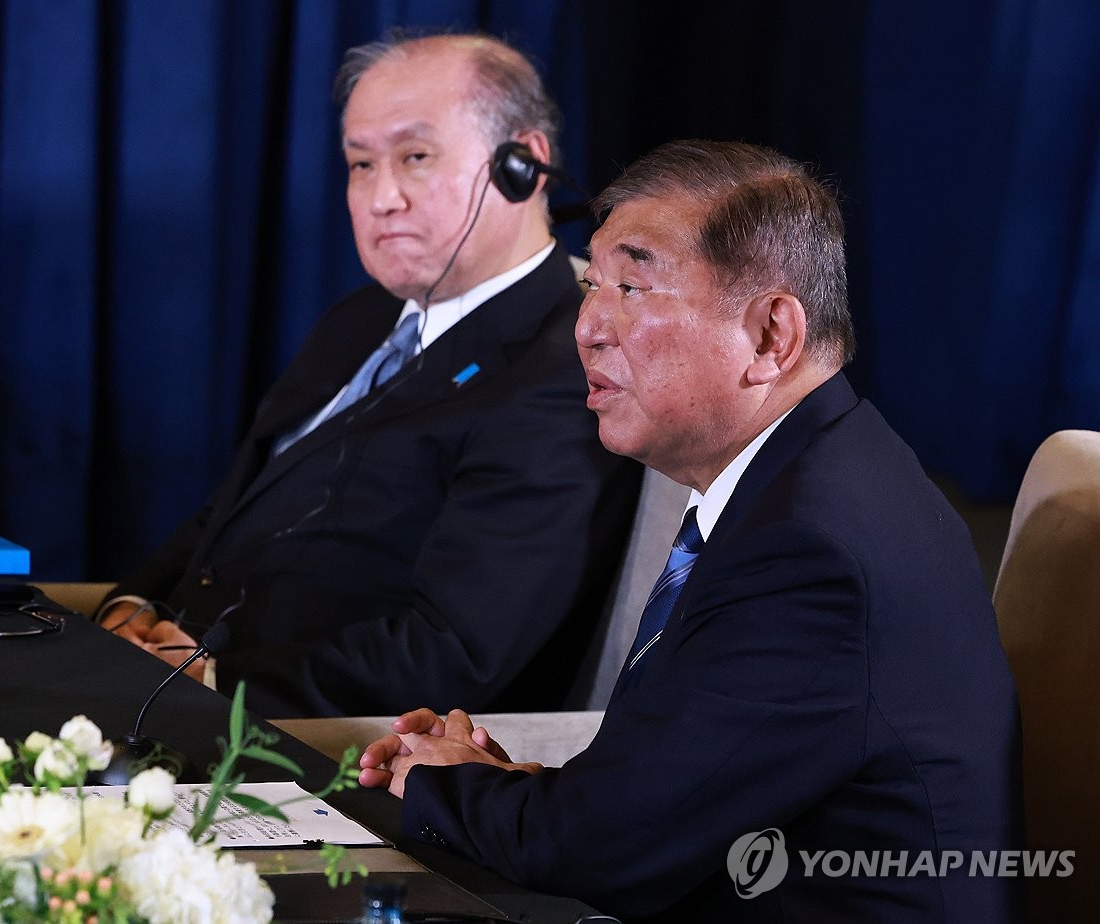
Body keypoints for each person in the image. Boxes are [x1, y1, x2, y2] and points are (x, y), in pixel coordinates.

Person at [358, 140, 1024, 922]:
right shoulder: (814, 476)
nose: (589, 327)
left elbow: (602, 850)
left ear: (772, 336)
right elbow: (678, 792)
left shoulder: (810, 552)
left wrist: (438, 780)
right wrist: (507, 789)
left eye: (633, 286)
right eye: (593, 282)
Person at [98, 33, 641, 718]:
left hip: (299, 743)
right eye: (360, 164)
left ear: (521, 166)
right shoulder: (361, 318)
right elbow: (234, 505)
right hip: (156, 683)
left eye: (415, 158)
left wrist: (211, 681)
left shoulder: (567, 368)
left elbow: (453, 651)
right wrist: (130, 608)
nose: (381, 198)